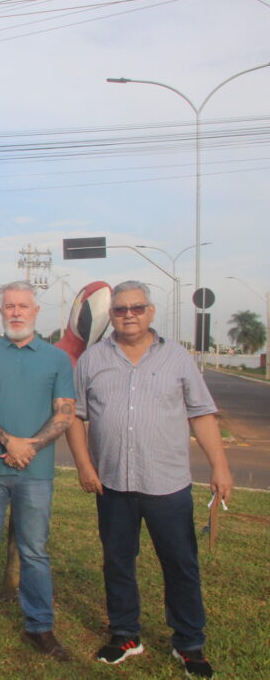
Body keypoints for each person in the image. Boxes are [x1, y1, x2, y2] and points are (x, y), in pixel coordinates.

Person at [66, 281, 233, 678]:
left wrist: (220, 466)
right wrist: (85, 466)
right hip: (112, 483)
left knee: (180, 564)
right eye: (120, 309)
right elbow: (75, 416)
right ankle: (125, 634)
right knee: (118, 562)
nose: (129, 315)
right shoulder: (92, 360)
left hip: (167, 485)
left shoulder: (176, 357)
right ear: (111, 315)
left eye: (137, 308)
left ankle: (189, 643)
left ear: (151, 312)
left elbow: (201, 414)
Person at [0, 281, 76, 660]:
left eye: (23, 306)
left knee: (35, 552)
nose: (16, 312)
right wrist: (9, 442)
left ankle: (40, 627)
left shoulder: (57, 359)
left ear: (36, 311)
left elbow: (65, 413)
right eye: (10, 306)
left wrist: (30, 447)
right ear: (1, 311)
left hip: (36, 472)